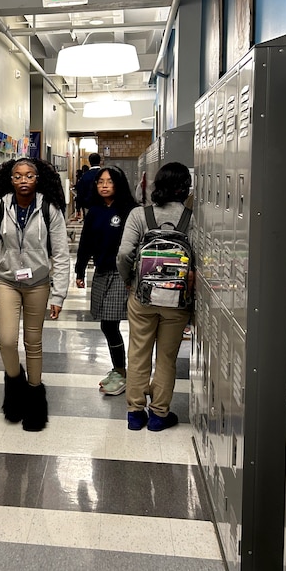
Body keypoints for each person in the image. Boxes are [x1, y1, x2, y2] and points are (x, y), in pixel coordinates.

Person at [0, 157, 69, 431]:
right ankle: (15, 386)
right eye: (17, 176)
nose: (23, 181)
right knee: (6, 341)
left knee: (33, 342)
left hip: (38, 283)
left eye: (28, 176)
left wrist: (58, 295)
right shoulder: (0, 207)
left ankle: (35, 400)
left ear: (38, 179)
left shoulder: (50, 209)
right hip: (7, 282)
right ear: (9, 179)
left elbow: (60, 254)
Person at [116, 162, 193, 432]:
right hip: (176, 302)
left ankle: (135, 413)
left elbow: (124, 253)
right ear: (186, 187)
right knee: (166, 357)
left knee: (138, 354)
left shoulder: (140, 215)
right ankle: (159, 414)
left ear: (156, 185)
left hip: (142, 297)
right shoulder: (192, 218)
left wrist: (130, 281)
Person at [75, 165, 138, 396]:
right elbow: (86, 243)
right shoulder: (94, 211)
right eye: (100, 181)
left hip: (124, 274)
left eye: (109, 181)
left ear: (118, 184)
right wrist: (80, 271)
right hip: (102, 272)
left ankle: (122, 372)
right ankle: (120, 370)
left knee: (111, 323)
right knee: (107, 323)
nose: (103, 185)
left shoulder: (131, 210)